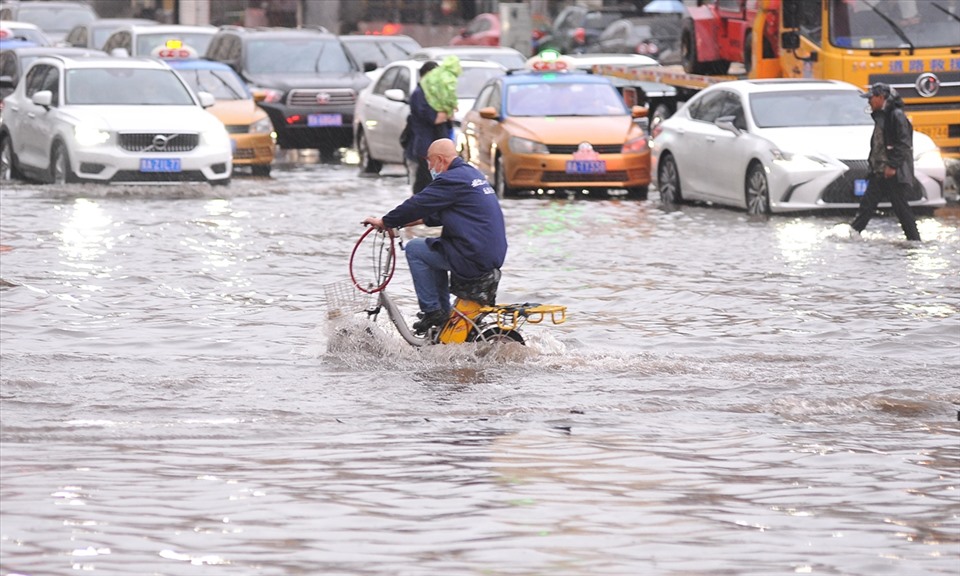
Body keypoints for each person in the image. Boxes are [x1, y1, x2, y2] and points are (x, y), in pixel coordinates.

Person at [363, 138, 507, 334]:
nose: (429, 167)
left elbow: (418, 205)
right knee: (433, 248)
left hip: (473, 254)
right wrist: (398, 223)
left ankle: (433, 310)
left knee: (415, 249)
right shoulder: (470, 174)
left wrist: (385, 221)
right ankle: (442, 314)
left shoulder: (451, 179)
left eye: (429, 162)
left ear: (439, 160)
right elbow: (432, 215)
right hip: (485, 252)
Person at [850, 82, 921, 242]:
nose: (869, 102)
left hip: (891, 172)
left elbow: (903, 144)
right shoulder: (883, 115)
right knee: (867, 205)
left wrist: (893, 166)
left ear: (881, 97)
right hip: (881, 170)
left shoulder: (895, 115)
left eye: (871, 98)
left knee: (901, 208)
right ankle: (854, 233)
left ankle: (914, 241)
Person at [406, 61, 450, 195]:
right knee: (424, 183)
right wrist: (446, 113)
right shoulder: (420, 93)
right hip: (425, 146)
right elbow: (433, 118)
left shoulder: (436, 94)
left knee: (434, 183)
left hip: (437, 146)